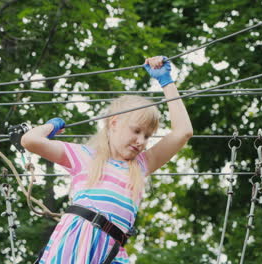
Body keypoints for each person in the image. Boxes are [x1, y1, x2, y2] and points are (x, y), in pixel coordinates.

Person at [21, 56, 193, 264]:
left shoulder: (141, 165)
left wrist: (167, 82)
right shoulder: (84, 156)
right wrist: (52, 125)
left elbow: (183, 132)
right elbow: (30, 140)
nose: (141, 141)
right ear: (114, 123)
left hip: (112, 250)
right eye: (136, 131)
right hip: (77, 243)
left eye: (147, 136)